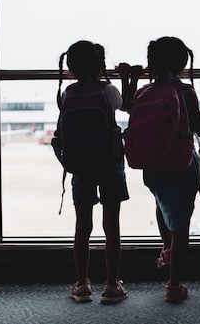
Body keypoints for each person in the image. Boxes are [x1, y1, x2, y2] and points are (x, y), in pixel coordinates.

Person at [117, 36, 200, 303]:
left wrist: (133, 78)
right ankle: (173, 284)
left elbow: (126, 105)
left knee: (163, 208)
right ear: (183, 64)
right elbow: (199, 127)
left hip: (151, 166)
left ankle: (167, 250)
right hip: (180, 165)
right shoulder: (186, 92)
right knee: (181, 225)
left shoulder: (144, 92)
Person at [57, 40, 129, 304]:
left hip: (80, 166)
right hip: (109, 163)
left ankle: (82, 284)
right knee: (112, 226)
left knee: (82, 227)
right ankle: (111, 285)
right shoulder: (108, 91)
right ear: (101, 66)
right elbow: (125, 104)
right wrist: (124, 77)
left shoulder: (68, 94)